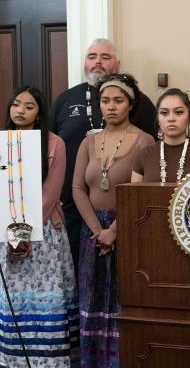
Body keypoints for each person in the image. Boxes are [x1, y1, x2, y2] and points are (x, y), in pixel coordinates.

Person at [72, 73, 154, 368]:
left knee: (122, 302)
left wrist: (115, 231)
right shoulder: (88, 141)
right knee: (93, 301)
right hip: (92, 232)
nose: (111, 106)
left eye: (118, 100)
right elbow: (78, 188)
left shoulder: (145, 141)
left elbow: (142, 192)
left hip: (127, 229)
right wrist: (98, 231)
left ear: (131, 104)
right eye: (105, 101)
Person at [50, 38, 157, 274]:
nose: (97, 62)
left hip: (129, 218)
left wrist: (114, 229)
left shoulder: (144, 110)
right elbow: (50, 149)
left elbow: (149, 174)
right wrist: (97, 230)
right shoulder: (65, 101)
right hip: (75, 212)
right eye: (92, 57)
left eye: (105, 57)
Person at [0, 86, 78, 368]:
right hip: (9, 232)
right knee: (18, 302)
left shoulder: (54, 143)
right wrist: (14, 234)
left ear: (39, 112)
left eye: (29, 106)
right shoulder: (3, 143)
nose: (20, 110)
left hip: (44, 231)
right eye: (16, 104)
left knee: (44, 300)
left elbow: (51, 192)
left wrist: (26, 233)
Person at [132, 88, 190, 183]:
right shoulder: (144, 154)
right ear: (158, 118)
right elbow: (134, 196)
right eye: (164, 113)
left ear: (189, 117)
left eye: (178, 112)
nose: (171, 118)